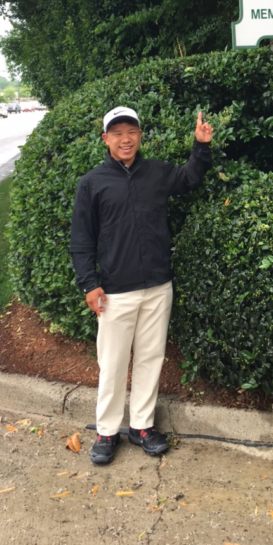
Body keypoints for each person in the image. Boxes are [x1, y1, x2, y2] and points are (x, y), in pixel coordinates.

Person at [70, 105, 213, 465]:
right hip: (115, 292)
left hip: (157, 286)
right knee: (113, 363)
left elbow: (189, 179)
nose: (125, 139)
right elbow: (81, 240)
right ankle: (106, 431)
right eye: (117, 133)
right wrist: (90, 284)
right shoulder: (92, 183)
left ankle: (142, 426)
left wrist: (201, 146)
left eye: (131, 131)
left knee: (151, 357)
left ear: (140, 135)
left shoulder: (156, 173)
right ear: (106, 139)